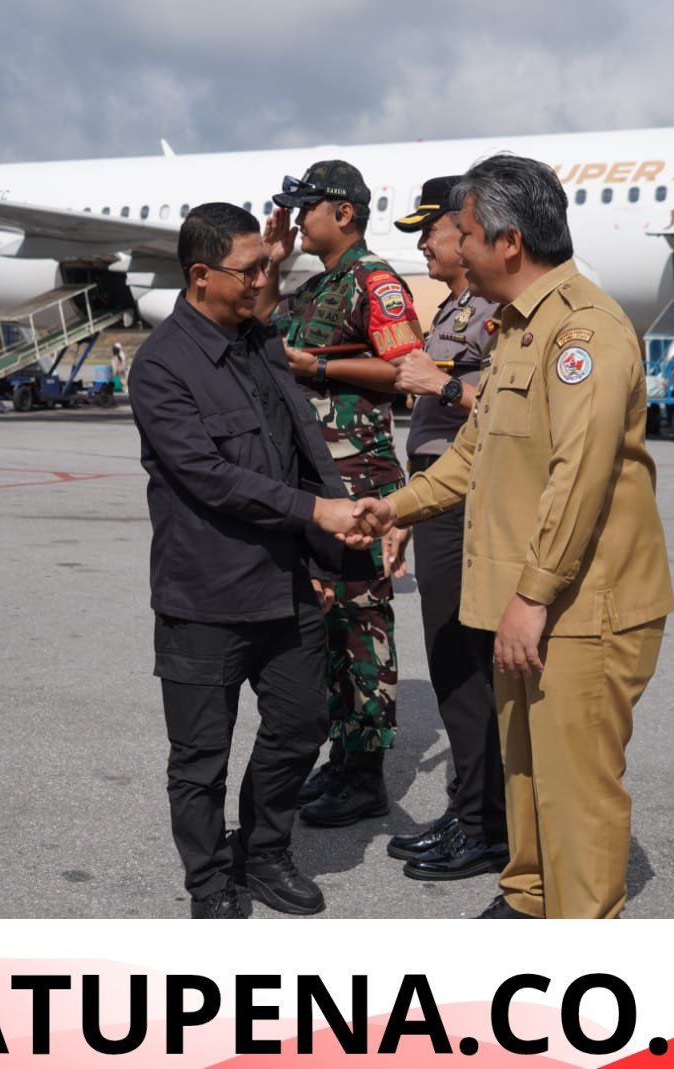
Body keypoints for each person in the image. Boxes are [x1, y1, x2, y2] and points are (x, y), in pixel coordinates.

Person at [356, 154, 674, 918]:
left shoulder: (584, 331)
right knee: (527, 772)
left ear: (508, 242)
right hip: (531, 605)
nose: (455, 248)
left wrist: (532, 597)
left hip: (579, 607)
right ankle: (530, 897)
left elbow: (580, 476)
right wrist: (395, 508)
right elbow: (472, 457)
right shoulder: (517, 330)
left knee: (575, 789)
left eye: (464, 233)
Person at [130, 203, 372, 918]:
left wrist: (328, 549)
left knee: (301, 724)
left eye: (267, 266)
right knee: (199, 759)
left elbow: (303, 446)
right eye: (251, 270)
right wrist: (315, 514)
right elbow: (208, 476)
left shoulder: (259, 339)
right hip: (204, 595)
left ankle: (263, 852)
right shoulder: (160, 366)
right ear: (201, 275)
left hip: (285, 581)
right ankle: (209, 886)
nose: (264, 280)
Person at [258, 159, 425, 827]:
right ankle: (342, 756)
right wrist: (273, 263)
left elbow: (407, 369)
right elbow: (263, 334)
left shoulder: (373, 282)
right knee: (326, 625)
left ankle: (366, 774)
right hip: (317, 482)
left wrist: (320, 367)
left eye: (308, 208)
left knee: (360, 624)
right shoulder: (318, 283)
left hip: (361, 484)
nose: (299, 218)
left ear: (344, 212)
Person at [381, 175, 508, 881]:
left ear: (465, 231)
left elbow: (511, 402)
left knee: (464, 661)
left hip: (468, 500)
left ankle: (486, 823)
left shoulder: (496, 309)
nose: (425, 245)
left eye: (431, 230)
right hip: (438, 496)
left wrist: (442, 384)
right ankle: (471, 807)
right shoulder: (456, 307)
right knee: (452, 659)